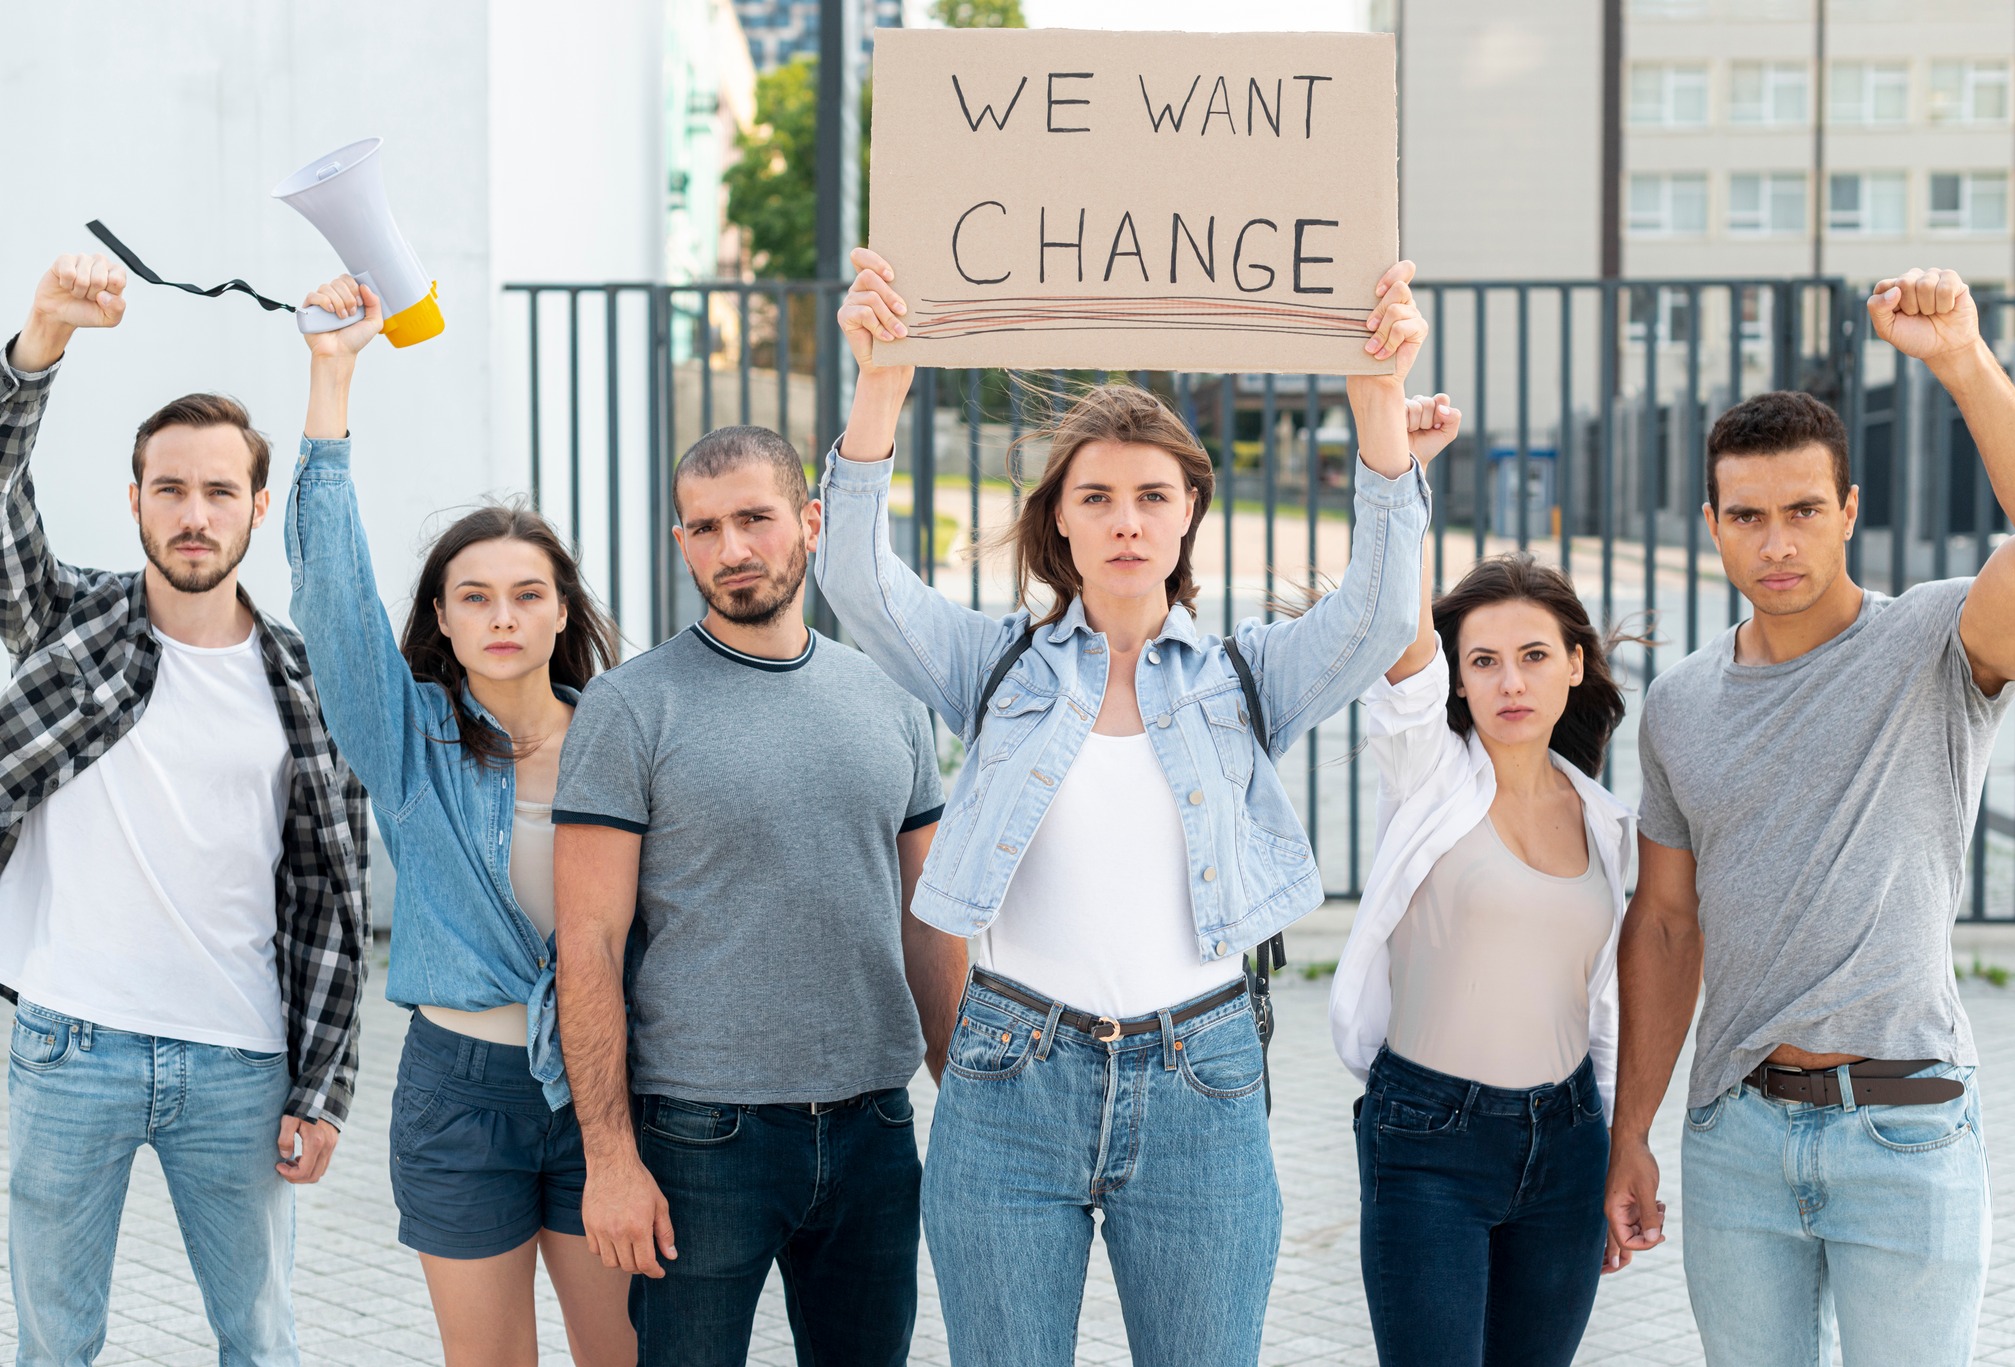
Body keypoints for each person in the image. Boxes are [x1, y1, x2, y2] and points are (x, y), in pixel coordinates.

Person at [815, 246, 1433, 1367]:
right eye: (1095, 496)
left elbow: (1382, 608)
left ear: (1191, 509)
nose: (1125, 520)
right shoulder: (995, 666)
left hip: (1201, 1081)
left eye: (1152, 494)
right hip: (1009, 1077)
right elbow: (859, 582)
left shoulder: (1243, 677)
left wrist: (1374, 395)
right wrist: (882, 380)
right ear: (1059, 518)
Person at [1605, 269, 2015, 1367]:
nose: (1777, 542)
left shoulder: (1933, 643)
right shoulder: (1680, 701)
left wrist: (1960, 361)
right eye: (1747, 517)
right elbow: (1664, 925)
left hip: (1903, 1128)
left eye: (1803, 510)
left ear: (1847, 508)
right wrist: (1630, 1134)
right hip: (1735, 1135)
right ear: (1711, 525)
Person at [0, 252, 367, 1365]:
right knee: (52, 1342)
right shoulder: (76, 627)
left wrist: (324, 1084)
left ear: (257, 506)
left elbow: (329, 903)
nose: (194, 513)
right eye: (170, 487)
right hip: (68, 1045)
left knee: (259, 1340)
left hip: (240, 1063)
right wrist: (39, 349)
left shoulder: (306, 684)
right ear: (137, 501)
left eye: (219, 491)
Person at [552, 421, 967, 1367]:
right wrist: (610, 1159)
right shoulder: (630, 707)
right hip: (701, 1138)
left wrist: (971, 1113)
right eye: (704, 528)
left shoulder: (891, 698)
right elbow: (588, 944)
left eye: (755, 518)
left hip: (876, 1127)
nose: (732, 549)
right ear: (681, 544)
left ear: (811, 522)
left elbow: (930, 928)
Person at [281, 276, 635, 1366]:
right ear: (440, 614)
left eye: (525, 593)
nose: (500, 615)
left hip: (607, 1086)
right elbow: (331, 595)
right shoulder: (410, 740)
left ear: (562, 608)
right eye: (473, 595)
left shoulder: (626, 737)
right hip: (458, 1089)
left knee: (621, 1355)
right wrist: (331, 376)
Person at [1327, 393, 1636, 1367]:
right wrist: (1399, 471)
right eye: (1484, 660)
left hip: (1566, 1138)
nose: (1509, 680)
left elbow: (1604, 1011)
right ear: (1457, 679)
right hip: (1427, 1138)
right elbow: (1397, 637)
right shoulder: (1429, 775)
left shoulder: (1606, 820)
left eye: (1533, 656)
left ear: (1573, 666)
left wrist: (1620, 1149)